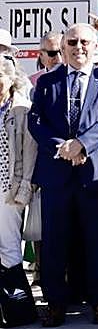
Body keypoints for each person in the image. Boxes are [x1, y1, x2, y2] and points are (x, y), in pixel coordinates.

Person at [28, 23, 98, 326]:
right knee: (55, 242)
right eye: (72, 42)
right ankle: (55, 304)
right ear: (63, 47)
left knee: (97, 241)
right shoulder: (47, 82)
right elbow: (36, 121)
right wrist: (63, 147)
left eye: (84, 42)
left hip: (93, 175)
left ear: (94, 46)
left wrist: (82, 144)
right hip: (56, 175)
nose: (78, 47)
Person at [0, 57, 36, 300]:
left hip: (8, 189)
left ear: (11, 78)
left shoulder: (22, 109)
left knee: (9, 248)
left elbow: (30, 152)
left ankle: (18, 308)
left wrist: (24, 190)